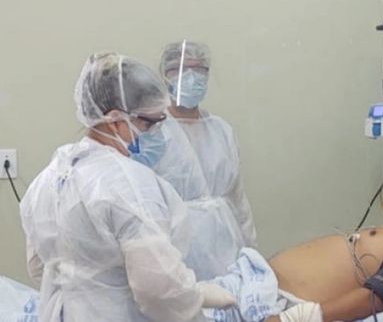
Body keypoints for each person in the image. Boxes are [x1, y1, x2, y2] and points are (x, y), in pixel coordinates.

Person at [19, 52, 237, 322]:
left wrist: (90, 286)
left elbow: (38, 266)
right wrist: (196, 297)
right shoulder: (130, 185)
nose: (156, 132)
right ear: (115, 120)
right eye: (149, 123)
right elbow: (159, 290)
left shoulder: (49, 178)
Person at [154, 41, 256, 281]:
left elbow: (237, 199)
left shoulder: (221, 130)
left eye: (199, 69)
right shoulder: (152, 134)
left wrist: (252, 252)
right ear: (165, 75)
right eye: (182, 69)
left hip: (226, 246)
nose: (191, 76)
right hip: (176, 249)